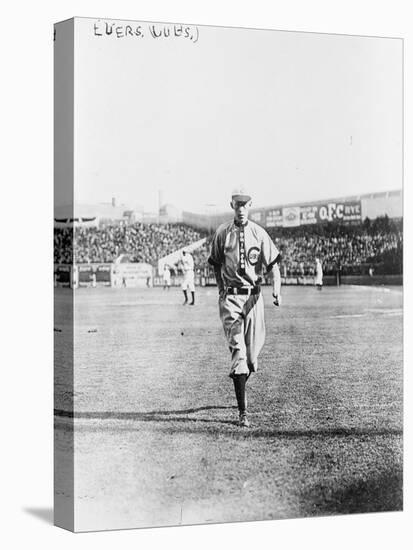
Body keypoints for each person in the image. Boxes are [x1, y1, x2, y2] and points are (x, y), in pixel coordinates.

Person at [208, 186, 281, 428]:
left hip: (254, 300)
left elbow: (274, 266)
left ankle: (248, 367)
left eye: (245, 205)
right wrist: (221, 289)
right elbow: (216, 263)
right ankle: (243, 413)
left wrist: (277, 291)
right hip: (231, 300)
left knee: (251, 359)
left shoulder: (259, 234)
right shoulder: (222, 233)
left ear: (250, 206)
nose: (241, 209)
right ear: (232, 206)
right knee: (238, 353)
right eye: (237, 205)